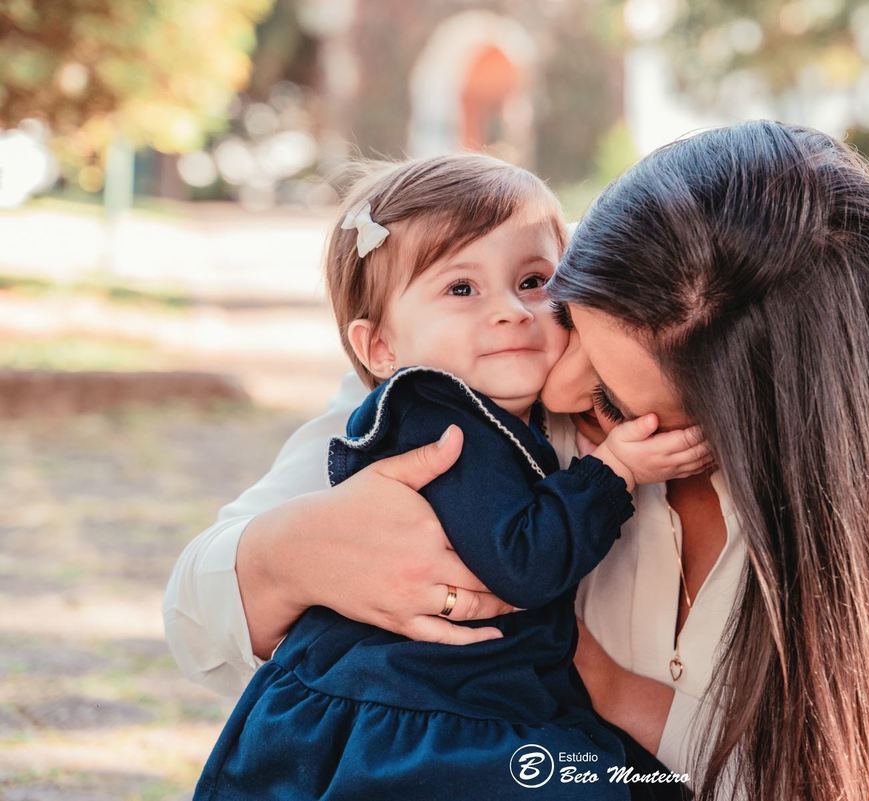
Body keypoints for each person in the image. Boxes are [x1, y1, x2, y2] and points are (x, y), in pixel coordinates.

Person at [166, 121, 869, 801]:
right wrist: (289, 555)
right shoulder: (474, 388)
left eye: (619, 400)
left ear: (765, 430)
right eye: (576, 315)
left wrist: (611, 689)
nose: (564, 378)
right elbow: (195, 617)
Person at [191, 154, 704, 800]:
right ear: (381, 348)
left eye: (534, 281)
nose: (510, 311)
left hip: (476, 698)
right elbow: (522, 563)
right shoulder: (436, 421)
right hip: (404, 719)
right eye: (462, 289)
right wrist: (616, 470)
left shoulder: (489, 413)